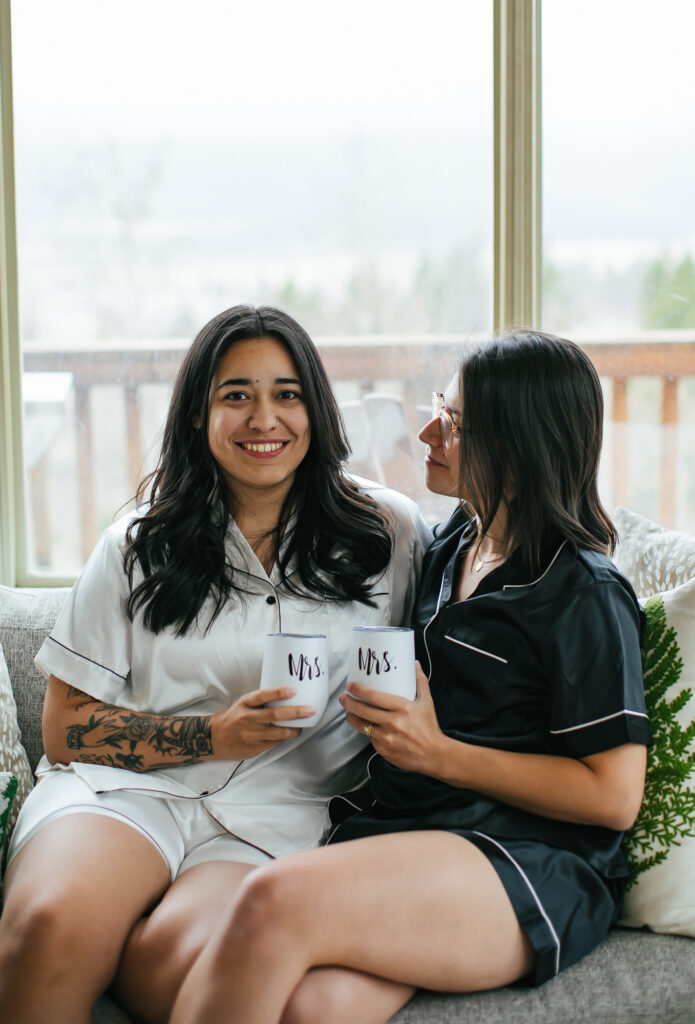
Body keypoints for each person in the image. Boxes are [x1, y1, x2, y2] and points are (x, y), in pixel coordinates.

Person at [167, 331, 653, 1024]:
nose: (428, 430)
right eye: (437, 407)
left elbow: (613, 798)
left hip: (527, 857)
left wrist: (439, 754)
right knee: (315, 1007)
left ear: (520, 443)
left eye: (453, 423)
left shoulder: (582, 592)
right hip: (412, 828)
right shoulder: (453, 541)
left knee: (270, 899)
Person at [0, 304, 431, 1024]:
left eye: (286, 394)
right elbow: (64, 729)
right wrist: (208, 736)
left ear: (316, 410)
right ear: (199, 415)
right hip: (125, 793)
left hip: (276, 817)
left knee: (183, 959)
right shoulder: (137, 545)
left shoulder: (387, 534)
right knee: (47, 924)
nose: (264, 418)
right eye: (236, 395)